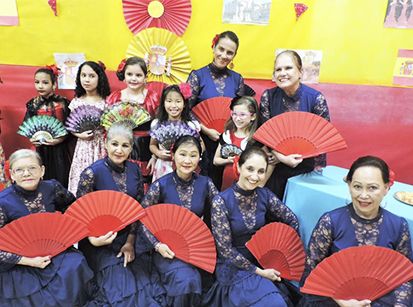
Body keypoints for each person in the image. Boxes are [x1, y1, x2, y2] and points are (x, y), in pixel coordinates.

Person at [299, 156, 412, 306]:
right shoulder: (330, 222)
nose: (363, 195)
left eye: (372, 188)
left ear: (386, 188)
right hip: (333, 300)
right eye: (357, 186)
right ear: (349, 185)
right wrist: (340, 301)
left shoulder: (398, 226)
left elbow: (405, 277)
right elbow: (310, 275)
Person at [76, 122, 166, 306]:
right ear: (106, 144)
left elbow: (138, 208)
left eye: (125, 145)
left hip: (129, 237)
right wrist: (93, 238)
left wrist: (130, 242)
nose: (119, 150)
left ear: (131, 148)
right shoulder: (91, 173)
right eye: (114, 144)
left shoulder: (134, 170)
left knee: (147, 285)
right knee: (122, 287)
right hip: (99, 240)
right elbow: (80, 214)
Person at [204, 147, 300, 306]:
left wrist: (280, 253)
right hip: (234, 266)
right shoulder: (221, 201)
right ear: (239, 167)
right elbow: (226, 250)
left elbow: (292, 221)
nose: (255, 176)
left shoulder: (265, 195)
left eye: (261, 171)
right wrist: (260, 272)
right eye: (250, 169)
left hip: (262, 260)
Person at [0, 149, 93, 306]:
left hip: (54, 251)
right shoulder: (3, 202)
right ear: (12, 175)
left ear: (42, 170)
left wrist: (66, 231)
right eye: (19, 170)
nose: (26, 173)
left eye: (32, 168)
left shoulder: (52, 188)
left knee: (76, 263)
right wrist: (28, 261)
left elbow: (73, 207)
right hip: (20, 261)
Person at [140, 135, 218, 306]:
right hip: (167, 249)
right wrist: (157, 245)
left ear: (199, 157)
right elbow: (141, 219)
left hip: (197, 248)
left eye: (193, 155)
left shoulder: (206, 184)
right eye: (182, 154)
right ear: (173, 155)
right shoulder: (160, 185)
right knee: (186, 280)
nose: (187, 160)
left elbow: (220, 216)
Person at [259, 50, 330, 199]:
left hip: (305, 171)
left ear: (300, 72)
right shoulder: (268, 96)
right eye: (278, 69)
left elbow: (322, 139)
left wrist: (314, 170)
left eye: (288, 68)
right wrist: (281, 157)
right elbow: (264, 135)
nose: (282, 73)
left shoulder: (316, 99)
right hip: (274, 167)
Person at [187, 31, 245, 187]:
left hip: (229, 143)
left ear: (234, 55)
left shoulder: (238, 79)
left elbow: (240, 112)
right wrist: (206, 130)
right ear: (213, 47)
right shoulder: (197, 76)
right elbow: (186, 110)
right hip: (202, 139)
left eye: (229, 52)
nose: (224, 55)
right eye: (221, 49)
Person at [107, 57, 160, 185]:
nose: (133, 78)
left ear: (145, 77)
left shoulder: (152, 97)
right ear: (124, 76)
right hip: (121, 146)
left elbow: (160, 128)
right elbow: (108, 126)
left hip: (145, 147)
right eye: (130, 74)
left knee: (142, 181)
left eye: (138, 75)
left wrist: (155, 155)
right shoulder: (115, 98)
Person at [23, 66, 72, 188]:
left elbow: (70, 125)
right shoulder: (33, 104)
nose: (40, 86)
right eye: (37, 82)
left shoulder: (63, 103)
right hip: (40, 148)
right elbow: (28, 125)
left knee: (61, 175)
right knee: (41, 175)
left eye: (45, 82)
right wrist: (32, 139)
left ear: (54, 84)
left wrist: (60, 139)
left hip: (59, 148)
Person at [68, 61, 110, 195]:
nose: (86, 80)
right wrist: (79, 135)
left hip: (102, 145)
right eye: (83, 75)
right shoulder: (76, 101)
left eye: (91, 76)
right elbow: (70, 125)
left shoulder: (106, 102)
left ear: (100, 78)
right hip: (82, 147)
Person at [149, 84, 202, 182]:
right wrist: (158, 153)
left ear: (184, 104)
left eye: (178, 101)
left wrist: (189, 156)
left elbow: (201, 146)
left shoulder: (191, 125)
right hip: (163, 166)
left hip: (185, 166)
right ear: (163, 103)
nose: (173, 105)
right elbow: (152, 145)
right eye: (169, 101)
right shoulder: (157, 124)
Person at [213, 96, 259, 190]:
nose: (237, 118)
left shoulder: (256, 140)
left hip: (247, 185)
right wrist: (228, 160)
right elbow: (216, 160)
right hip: (226, 182)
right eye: (234, 114)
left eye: (242, 115)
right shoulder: (226, 135)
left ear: (253, 116)